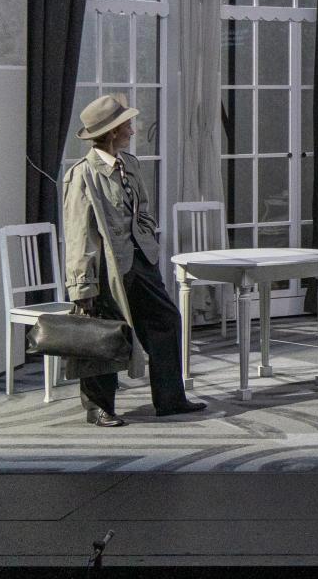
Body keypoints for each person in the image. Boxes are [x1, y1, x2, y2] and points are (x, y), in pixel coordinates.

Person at [62, 94, 207, 426]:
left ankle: (170, 399)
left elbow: (143, 208)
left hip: (141, 260)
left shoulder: (129, 163)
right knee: (103, 333)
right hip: (106, 268)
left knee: (166, 319)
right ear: (113, 131)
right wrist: (82, 285)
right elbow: (78, 234)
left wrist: (146, 233)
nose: (132, 128)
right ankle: (99, 407)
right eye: (127, 124)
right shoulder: (83, 175)